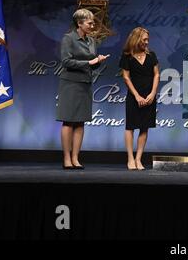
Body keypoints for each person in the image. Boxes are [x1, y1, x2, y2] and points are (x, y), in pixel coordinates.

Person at [56, 9, 110, 169]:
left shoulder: (91, 41)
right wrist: (89, 63)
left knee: (80, 122)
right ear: (79, 23)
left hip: (85, 83)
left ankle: (75, 158)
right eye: (90, 22)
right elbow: (66, 62)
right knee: (68, 121)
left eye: (93, 22)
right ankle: (66, 158)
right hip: (70, 83)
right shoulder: (69, 39)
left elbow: (92, 63)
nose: (93, 25)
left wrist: (98, 61)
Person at [119, 27, 159, 170]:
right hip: (134, 97)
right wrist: (136, 96)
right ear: (136, 39)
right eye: (144, 39)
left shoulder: (151, 55)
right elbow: (126, 77)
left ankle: (138, 159)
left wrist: (152, 94)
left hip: (149, 96)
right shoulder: (127, 56)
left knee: (144, 127)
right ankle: (130, 158)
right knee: (130, 127)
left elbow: (156, 75)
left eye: (148, 39)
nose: (147, 42)